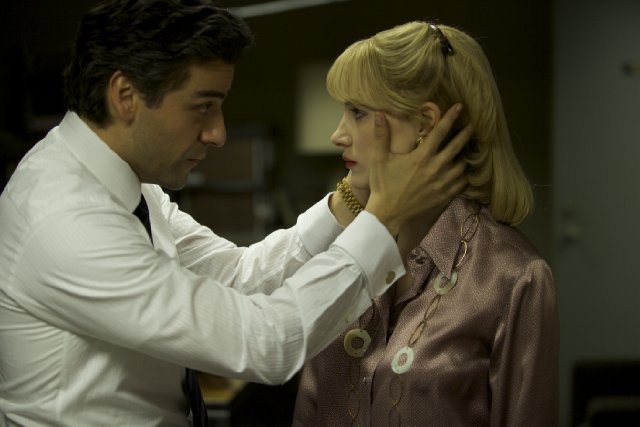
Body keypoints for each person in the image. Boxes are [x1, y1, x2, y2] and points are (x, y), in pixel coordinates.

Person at [0, 1, 472, 426]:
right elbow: (263, 342)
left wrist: (350, 199)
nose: (218, 134)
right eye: (203, 107)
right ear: (125, 96)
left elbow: (242, 275)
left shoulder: (133, 190)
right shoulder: (64, 220)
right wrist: (385, 218)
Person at [292, 21, 558, 427]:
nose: (338, 135)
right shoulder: (340, 254)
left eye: (358, 112)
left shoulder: (514, 277)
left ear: (424, 125)